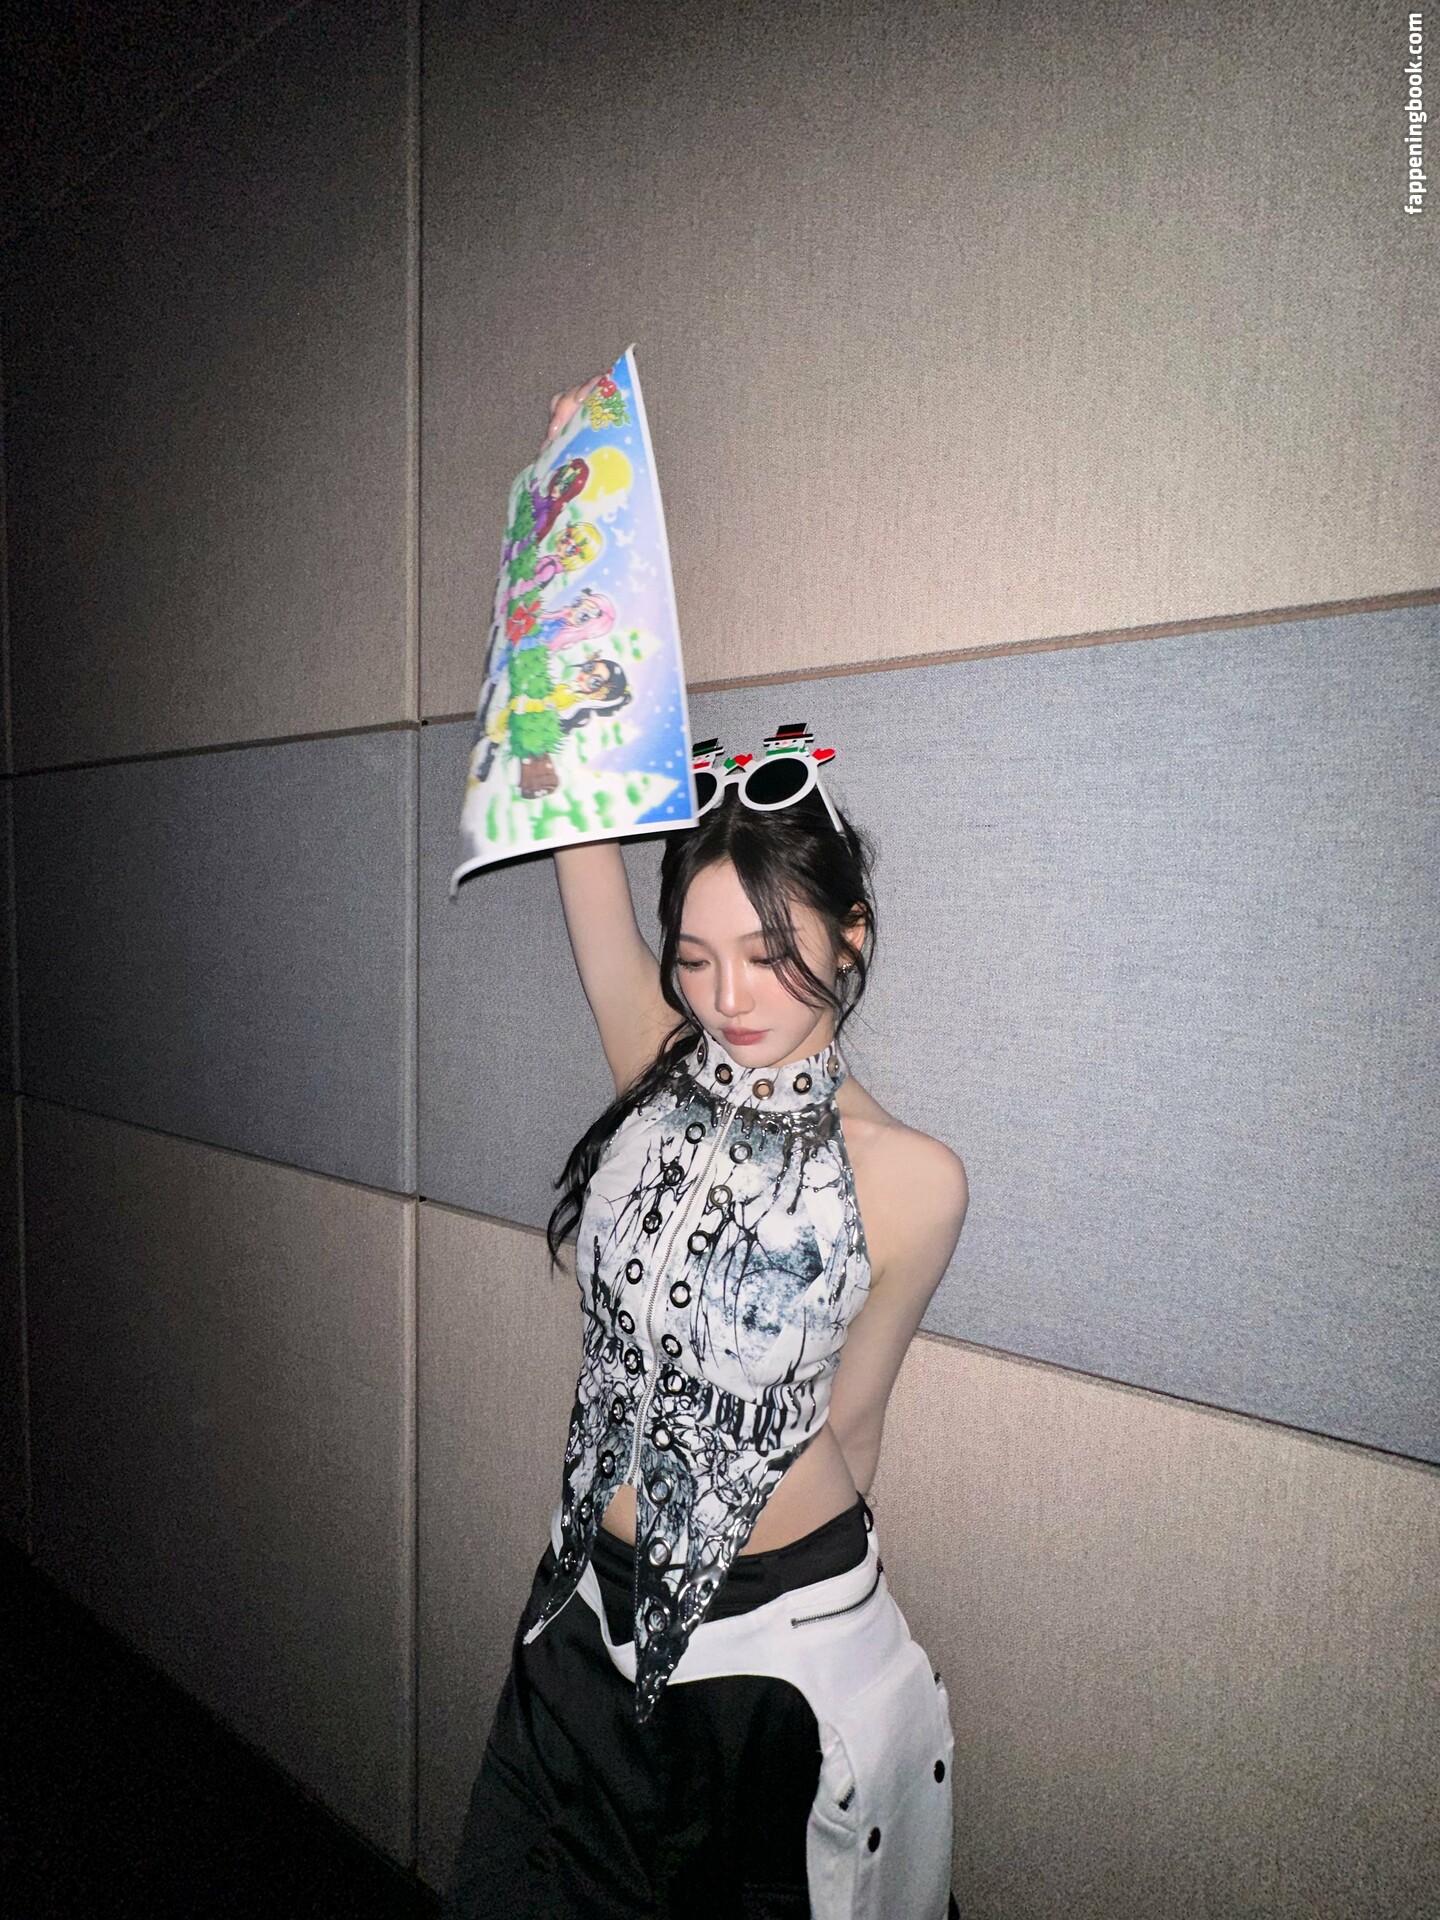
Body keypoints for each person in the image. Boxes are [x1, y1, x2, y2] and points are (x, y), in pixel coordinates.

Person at [444, 380, 970, 1920]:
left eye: (771, 953)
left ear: (851, 936)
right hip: (576, 1619)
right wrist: (575, 508)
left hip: (767, 1663)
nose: (728, 998)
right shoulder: (657, 1061)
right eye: (697, 957)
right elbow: (581, 832)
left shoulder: (915, 1180)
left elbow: (856, 1424)